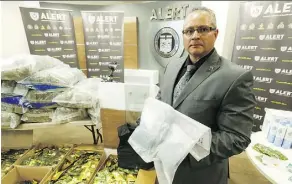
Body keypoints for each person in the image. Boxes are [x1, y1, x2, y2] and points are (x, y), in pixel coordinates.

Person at [156, 7, 256, 184]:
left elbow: (236, 137)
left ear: (215, 34)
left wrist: (185, 146)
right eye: (189, 31)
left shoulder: (235, 77)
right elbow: (162, 99)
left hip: (200, 174)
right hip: (163, 168)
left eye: (202, 29)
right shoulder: (172, 66)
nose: (195, 35)